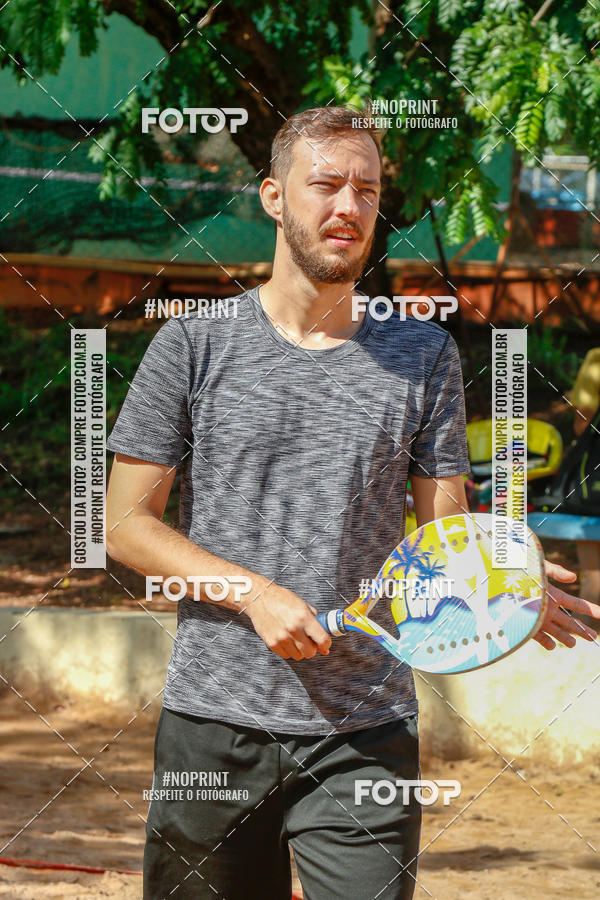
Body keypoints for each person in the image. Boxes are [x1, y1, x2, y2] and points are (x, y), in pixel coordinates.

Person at [105, 106, 600, 900]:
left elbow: (445, 536)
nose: (349, 207)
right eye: (326, 185)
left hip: (365, 733)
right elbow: (124, 525)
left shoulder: (423, 353)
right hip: (212, 725)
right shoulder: (193, 345)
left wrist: (501, 591)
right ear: (274, 196)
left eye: (366, 190)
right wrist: (253, 594)